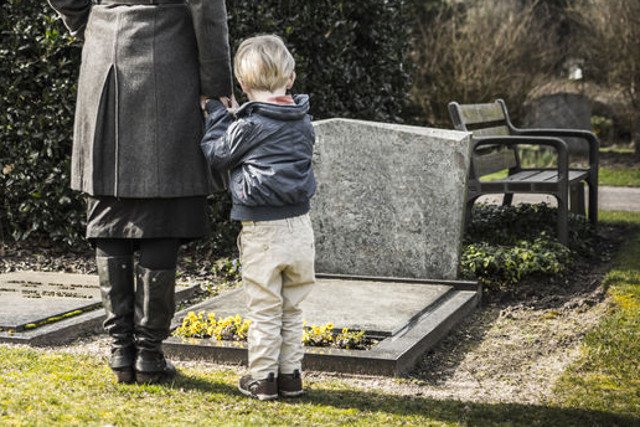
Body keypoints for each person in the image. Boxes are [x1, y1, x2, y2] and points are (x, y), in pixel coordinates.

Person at [47, 0, 235, 384]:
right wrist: (216, 86)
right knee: (162, 200)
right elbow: (207, 7)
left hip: (105, 48)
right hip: (170, 53)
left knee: (110, 198)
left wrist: (95, 21)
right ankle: (148, 354)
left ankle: (121, 350)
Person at [201, 35, 316, 401]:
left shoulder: (248, 126)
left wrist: (219, 116)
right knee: (292, 307)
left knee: (265, 307)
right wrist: (240, 113)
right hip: (300, 227)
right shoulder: (303, 121)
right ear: (291, 79)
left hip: (262, 230)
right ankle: (291, 375)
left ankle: (263, 377)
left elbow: (219, 154)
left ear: (244, 84)